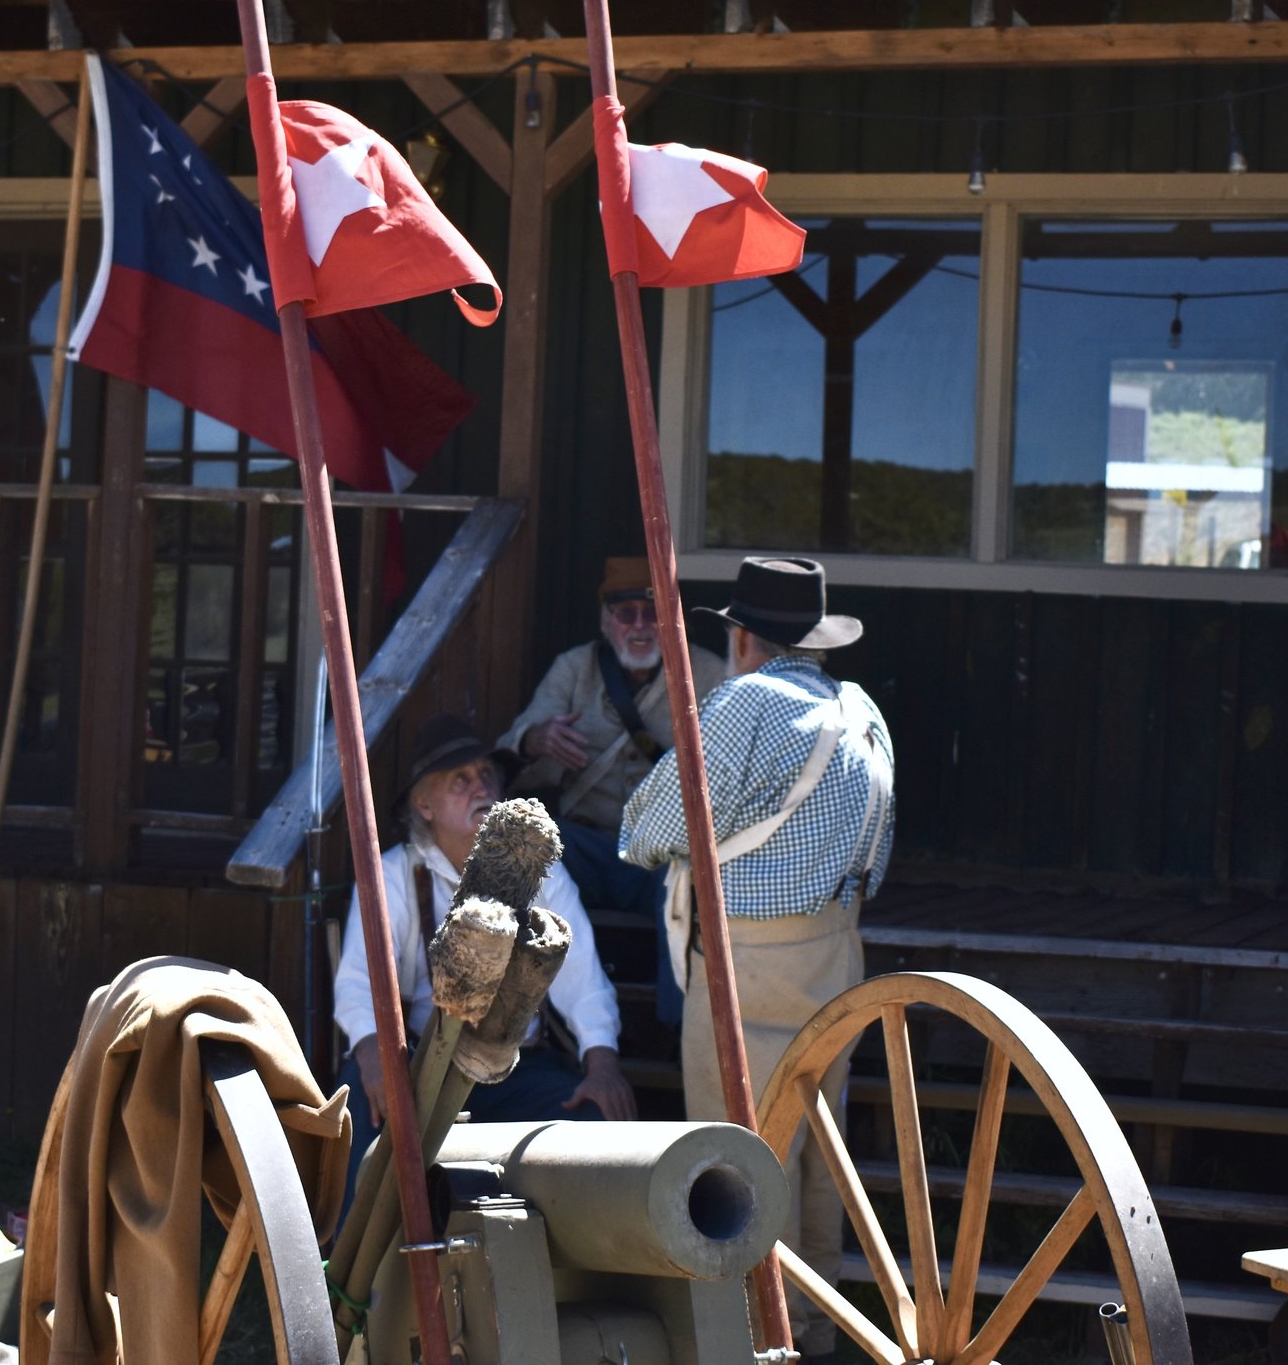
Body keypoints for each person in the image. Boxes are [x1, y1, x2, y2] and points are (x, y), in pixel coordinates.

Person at [619, 557, 894, 1365]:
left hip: (752, 953)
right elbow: (876, 855)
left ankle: (745, 1333)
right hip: (839, 943)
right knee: (816, 1143)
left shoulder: (742, 704)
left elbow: (650, 827)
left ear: (740, 639)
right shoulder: (859, 708)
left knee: (735, 1144)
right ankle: (811, 1326)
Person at [332, 714, 634, 1200]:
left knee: (595, 1123)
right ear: (423, 804)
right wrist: (375, 1059)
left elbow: (584, 980)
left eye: (487, 776)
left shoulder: (542, 875)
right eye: (461, 780)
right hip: (421, 1068)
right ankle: (354, 1273)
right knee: (364, 1111)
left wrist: (602, 1063)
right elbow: (358, 986)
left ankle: (572, 1273)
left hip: (516, 1069)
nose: (482, 787)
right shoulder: (394, 873)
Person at [497, 555, 724, 1024]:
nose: (640, 626)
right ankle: (520, 1021)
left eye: (653, 613)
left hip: (665, 857)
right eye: (626, 613)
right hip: (590, 846)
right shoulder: (575, 670)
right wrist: (536, 739)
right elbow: (509, 750)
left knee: (688, 886)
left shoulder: (709, 674)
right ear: (606, 620)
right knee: (524, 849)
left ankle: (683, 1032)